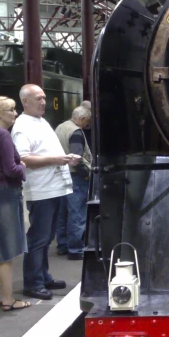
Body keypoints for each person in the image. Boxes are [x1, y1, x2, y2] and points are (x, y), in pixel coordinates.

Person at [11, 84, 77, 300]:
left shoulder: (40, 121)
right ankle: (33, 283)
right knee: (39, 239)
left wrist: (64, 158)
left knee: (47, 238)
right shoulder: (22, 126)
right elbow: (23, 158)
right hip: (41, 190)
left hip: (54, 187)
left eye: (44, 97)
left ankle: (43, 276)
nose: (43, 102)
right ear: (25, 102)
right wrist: (58, 159)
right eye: (38, 98)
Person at [0, 97, 31, 311]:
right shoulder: (1, 134)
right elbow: (11, 169)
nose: (15, 113)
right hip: (2, 194)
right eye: (11, 110)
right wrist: (23, 166)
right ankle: (8, 299)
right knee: (6, 250)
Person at [55, 106, 92, 260]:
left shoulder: (60, 127)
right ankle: (76, 249)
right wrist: (86, 175)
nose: (87, 125)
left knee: (62, 213)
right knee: (77, 214)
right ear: (82, 119)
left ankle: (62, 245)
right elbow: (76, 158)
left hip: (60, 174)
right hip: (75, 177)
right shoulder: (76, 132)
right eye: (87, 121)